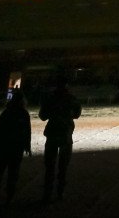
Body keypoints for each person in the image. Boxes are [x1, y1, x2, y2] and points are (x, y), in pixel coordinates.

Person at [38, 74, 82, 202]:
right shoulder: (71, 99)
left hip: (52, 134)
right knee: (63, 167)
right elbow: (77, 114)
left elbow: (43, 116)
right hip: (65, 135)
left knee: (49, 166)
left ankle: (47, 193)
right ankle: (60, 192)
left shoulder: (50, 98)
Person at [0, 88, 32, 207]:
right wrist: (27, 145)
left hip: (2, 148)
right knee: (13, 174)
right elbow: (27, 131)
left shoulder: (6, 112)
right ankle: (9, 197)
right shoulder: (23, 113)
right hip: (15, 149)